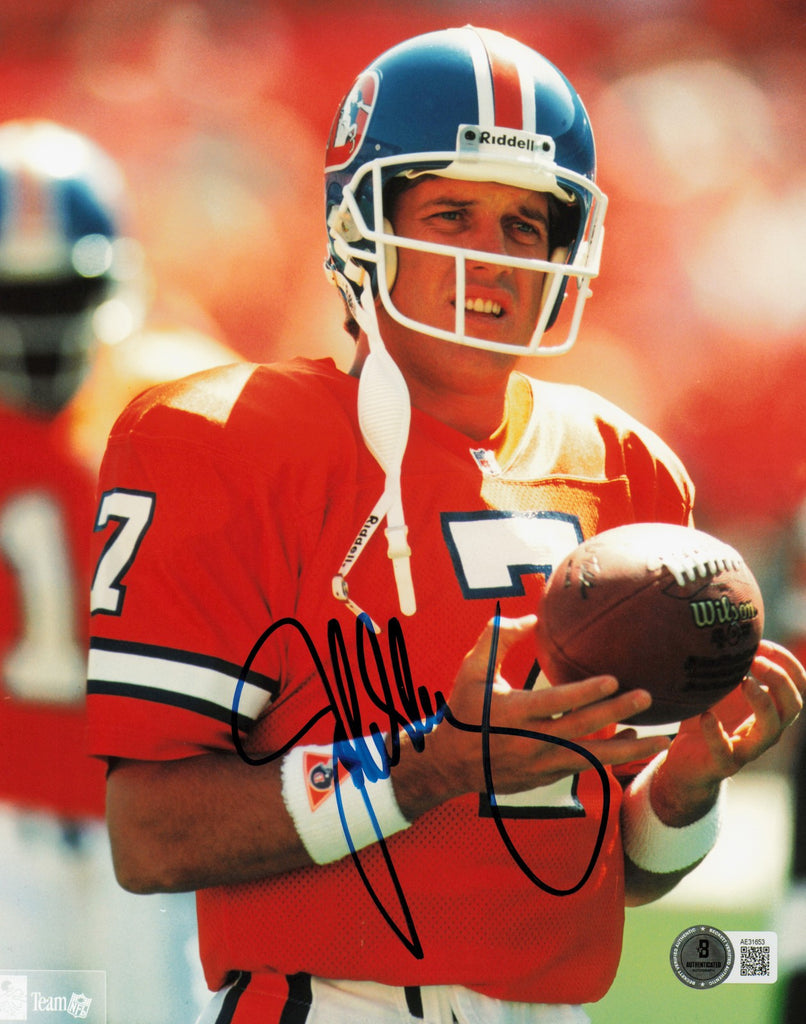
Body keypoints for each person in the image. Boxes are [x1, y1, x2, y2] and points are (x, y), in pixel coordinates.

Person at [85, 27, 805, 1024]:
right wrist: (424, 767)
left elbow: (594, 871)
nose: (490, 258)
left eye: (524, 224)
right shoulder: (222, 441)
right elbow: (151, 837)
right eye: (452, 214)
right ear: (362, 224)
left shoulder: (626, 469)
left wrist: (683, 793)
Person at [0, 118, 211, 1022]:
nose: (37, 325)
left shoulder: (183, 404)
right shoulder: (186, 391)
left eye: (60, 294)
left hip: (158, 825)